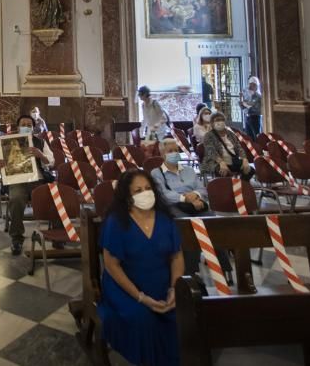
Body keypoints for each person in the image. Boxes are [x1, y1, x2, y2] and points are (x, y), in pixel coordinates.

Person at [98, 170, 183, 366]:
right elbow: (112, 265)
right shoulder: (117, 222)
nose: (145, 193)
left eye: (148, 188)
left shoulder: (165, 219)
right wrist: (141, 297)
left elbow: (176, 256)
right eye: (138, 190)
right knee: (143, 319)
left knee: (179, 314)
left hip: (161, 283)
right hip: (125, 288)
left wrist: (174, 288)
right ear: (127, 197)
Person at [151, 138, 232, 278]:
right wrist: (185, 198)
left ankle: (223, 268)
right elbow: (163, 194)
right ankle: (191, 271)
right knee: (188, 225)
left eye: (176, 150)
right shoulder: (156, 173)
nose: (174, 153)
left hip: (196, 204)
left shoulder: (189, 171)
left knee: (213, 223)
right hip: (173, 206)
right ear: (163, 153)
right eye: (170, 151)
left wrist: (195, 196)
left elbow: (202, 188)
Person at [0, 115, 50, 256]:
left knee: (56, 196)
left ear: (33, 128)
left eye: (29, 125)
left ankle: (57, 233)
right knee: (15, 199)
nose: (26, 126)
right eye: (23, 124)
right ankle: (16, 237)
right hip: (17, 181)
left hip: (37, 180)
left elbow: (52, 162)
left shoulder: (40, 142)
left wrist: (41, 156)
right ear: (18, 127)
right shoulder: (8, 142)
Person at [200, 111, 254, 181]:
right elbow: (211, 151)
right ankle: (227, 189)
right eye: (217, 120)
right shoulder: (208, 136)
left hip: (233, 161)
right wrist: (221, 162)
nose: (220, 122)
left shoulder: (230, 134)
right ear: (212, 123)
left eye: (222, 120)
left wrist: (244, 159)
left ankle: (241, 186)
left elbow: (239, 148)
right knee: (223, 172)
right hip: (215, 162)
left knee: (250, 170)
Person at [240, 77, 263, 141]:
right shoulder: (249, 95)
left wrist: (244, 103)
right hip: (248, 117)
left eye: (252, 84)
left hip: (255, 117)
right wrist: (241, 99)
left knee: (256, 137)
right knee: (249, 137)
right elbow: (243, 107)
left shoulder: (257, 96)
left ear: (256, 86)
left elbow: (249, 105)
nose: (250, 86)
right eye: (250, 84)